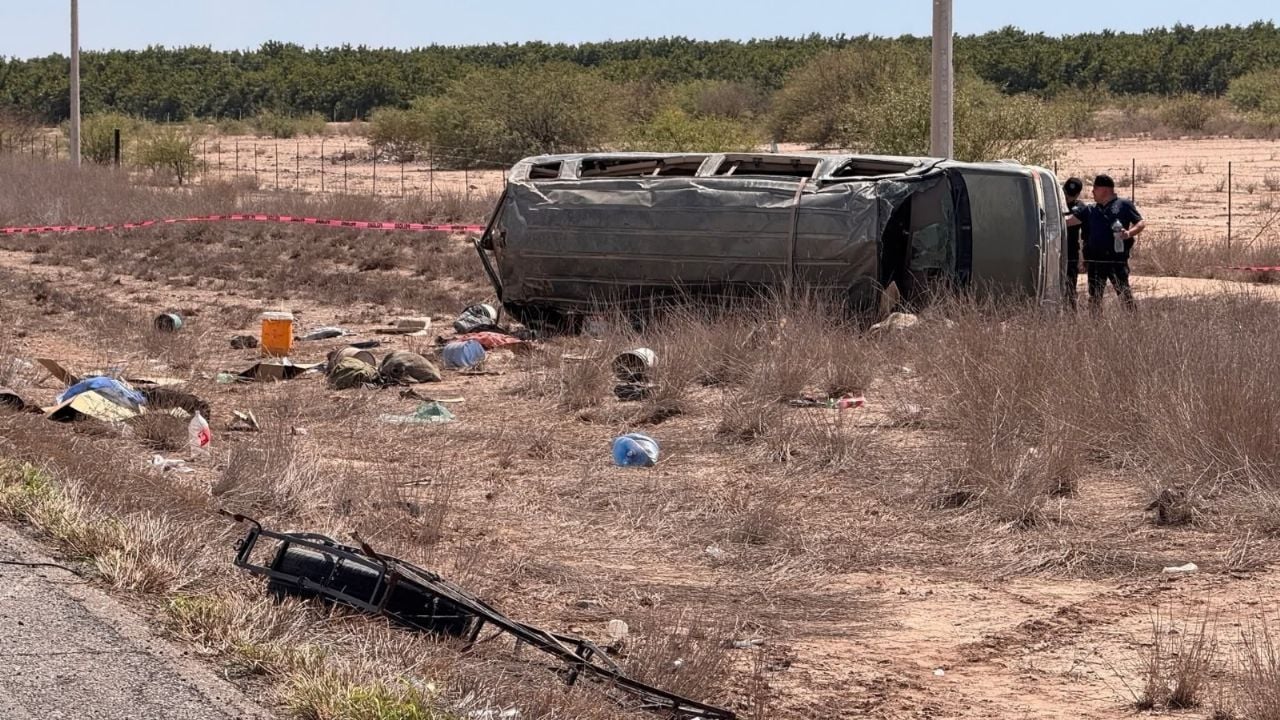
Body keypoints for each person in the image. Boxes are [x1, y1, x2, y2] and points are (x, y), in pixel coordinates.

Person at [1065, 174, 1146, 313]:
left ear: (1104, 190)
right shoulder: (1090, 209)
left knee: (1124, 294)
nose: (1092, 192)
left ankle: (1133, 321)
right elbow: (1068, 221)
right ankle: (1095, 325)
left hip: (1116, 260)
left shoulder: (1124, 205)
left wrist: (1129, 233)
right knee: (1095, 297)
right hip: (1096, 260)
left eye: (1094, 188)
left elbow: (1140, 223)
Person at [1061, 177, 1084, 309]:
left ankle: (1070, 317)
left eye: (1070, 195)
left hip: (1070, 253)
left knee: (1070, 288)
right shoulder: (1056, 203)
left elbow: (1069, 221)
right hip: (1053, 251)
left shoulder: (1080, 207)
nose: (1067, 197)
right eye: (1066, 193)